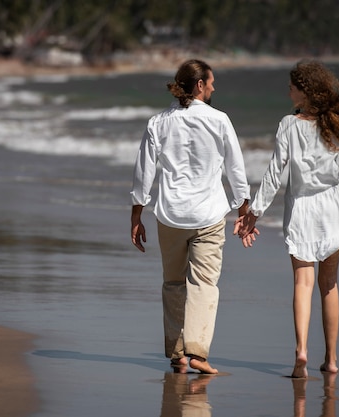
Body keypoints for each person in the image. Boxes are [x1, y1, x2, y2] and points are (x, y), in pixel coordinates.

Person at [236, 60, 339, 378]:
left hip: (302, 210)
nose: (288, 91)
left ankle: (301, 352)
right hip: (333, 208)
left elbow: (275, 173)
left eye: (291, 87)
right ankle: (330, 359)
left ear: (304, 91)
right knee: (329, 284)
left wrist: (255, 213)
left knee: (302, 283)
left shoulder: (288, 125)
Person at [130, 59, 256, 374]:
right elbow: (236, 170)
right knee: (204, 284)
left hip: (169, 215)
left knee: (173, 283)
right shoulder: (220, 120)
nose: (213, 88)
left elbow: (143, 173)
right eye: (211, 83)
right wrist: (244, 211)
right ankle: (198, 353)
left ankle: (177, 354)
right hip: (208, 215)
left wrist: (136, 215)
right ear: (199, 85)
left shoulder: (158, 122)